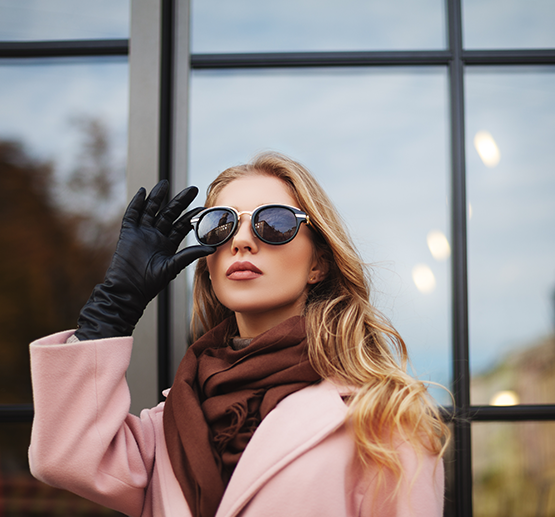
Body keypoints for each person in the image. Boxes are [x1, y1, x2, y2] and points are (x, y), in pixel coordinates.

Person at [29, 152, 449, 517]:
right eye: (221, 226)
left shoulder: (384, 415)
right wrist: (113, 307)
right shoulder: (171, 423)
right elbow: (65, 458)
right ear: (208, 264)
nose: (242, 241)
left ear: (318, 264)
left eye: (274, 223)